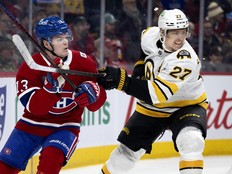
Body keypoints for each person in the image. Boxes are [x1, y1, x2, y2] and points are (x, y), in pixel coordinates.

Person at [97, 9, 208, 174]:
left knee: (191, 141)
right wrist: (139, 69)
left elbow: (156, 95)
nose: (180, 38)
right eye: (174, 33)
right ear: (162, 32)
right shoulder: (150, 35)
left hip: (186, 106)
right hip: (153, 109)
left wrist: (122, 81)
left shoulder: (185, 60)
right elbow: (145, 51)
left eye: (183, 32)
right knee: (125, 155)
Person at [0, 16, 106, 174]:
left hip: (66, 127)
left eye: (65, 37)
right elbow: (34, 108)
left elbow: (97, 102)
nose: (65, 42)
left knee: (49, 167)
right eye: (58, 38)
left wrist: (94, 93)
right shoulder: (29, 68)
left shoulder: (83, 62)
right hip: (30, 125)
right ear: (46, 43)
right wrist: (50, 88)